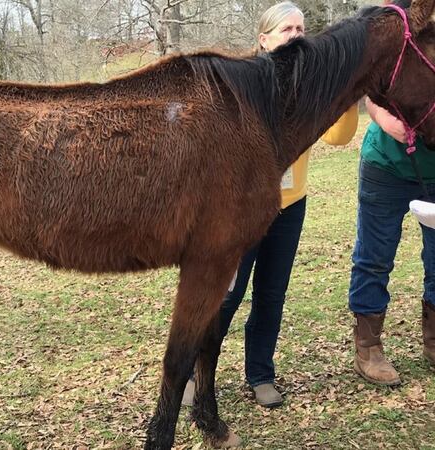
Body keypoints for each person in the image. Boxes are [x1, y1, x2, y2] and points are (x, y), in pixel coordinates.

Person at [182, 1, 359, 409]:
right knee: (225, 295)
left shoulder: (314, 87)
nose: (296, 36)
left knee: (271, 295)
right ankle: (192, 372)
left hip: (289, 206)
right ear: (264, 41)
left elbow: (337, 138)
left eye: (301, 29)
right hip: (240, 209)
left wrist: (346, 91)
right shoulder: (241, 84)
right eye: (286, 30)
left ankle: (260, 373)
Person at [349, 94, 435, 386]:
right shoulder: (403, 47)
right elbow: (372, 91)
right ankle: (368, 350)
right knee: (374, 258)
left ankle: (433, 342)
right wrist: (386, 121)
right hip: (386, 165)